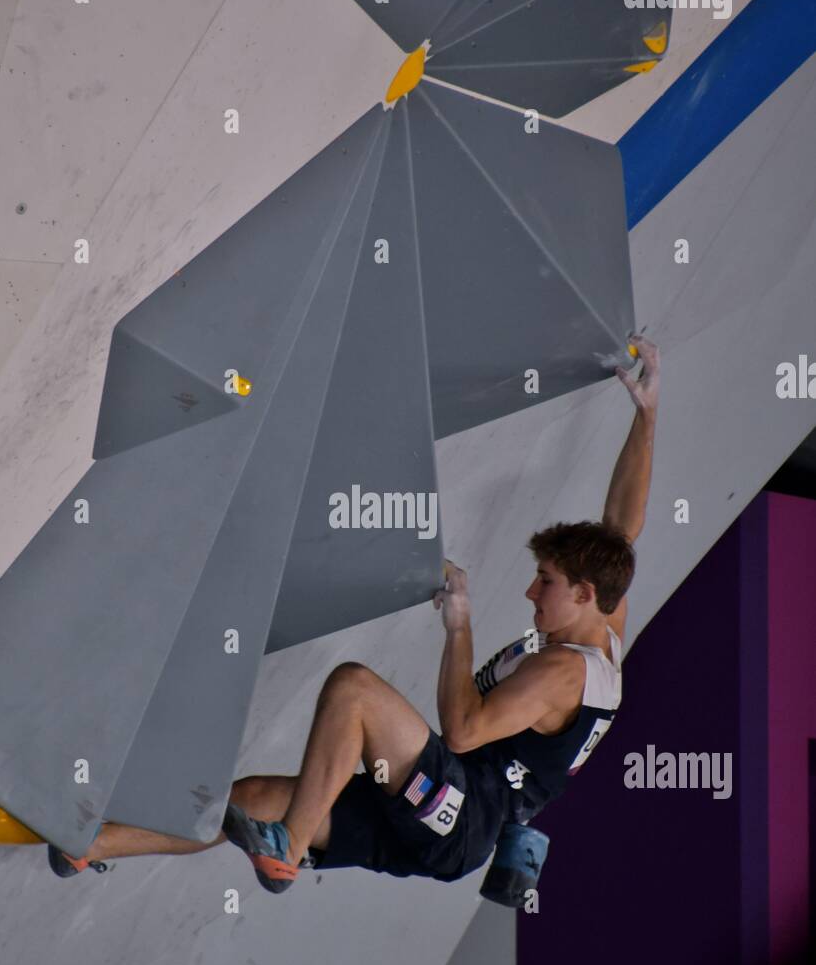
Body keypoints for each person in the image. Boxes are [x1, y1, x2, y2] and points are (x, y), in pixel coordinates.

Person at [49, 334, 660, 894]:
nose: (531, 593)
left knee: (354, 691)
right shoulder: (603, 625)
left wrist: (460, 625)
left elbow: (465, 730)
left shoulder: (563, 673)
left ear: (582, 593)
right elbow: (620, 529)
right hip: (442, 821)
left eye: (546, 582)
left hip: (458, 812)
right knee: (254, 800)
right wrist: (645, 416)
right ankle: (93, 846)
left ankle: (286, 849)